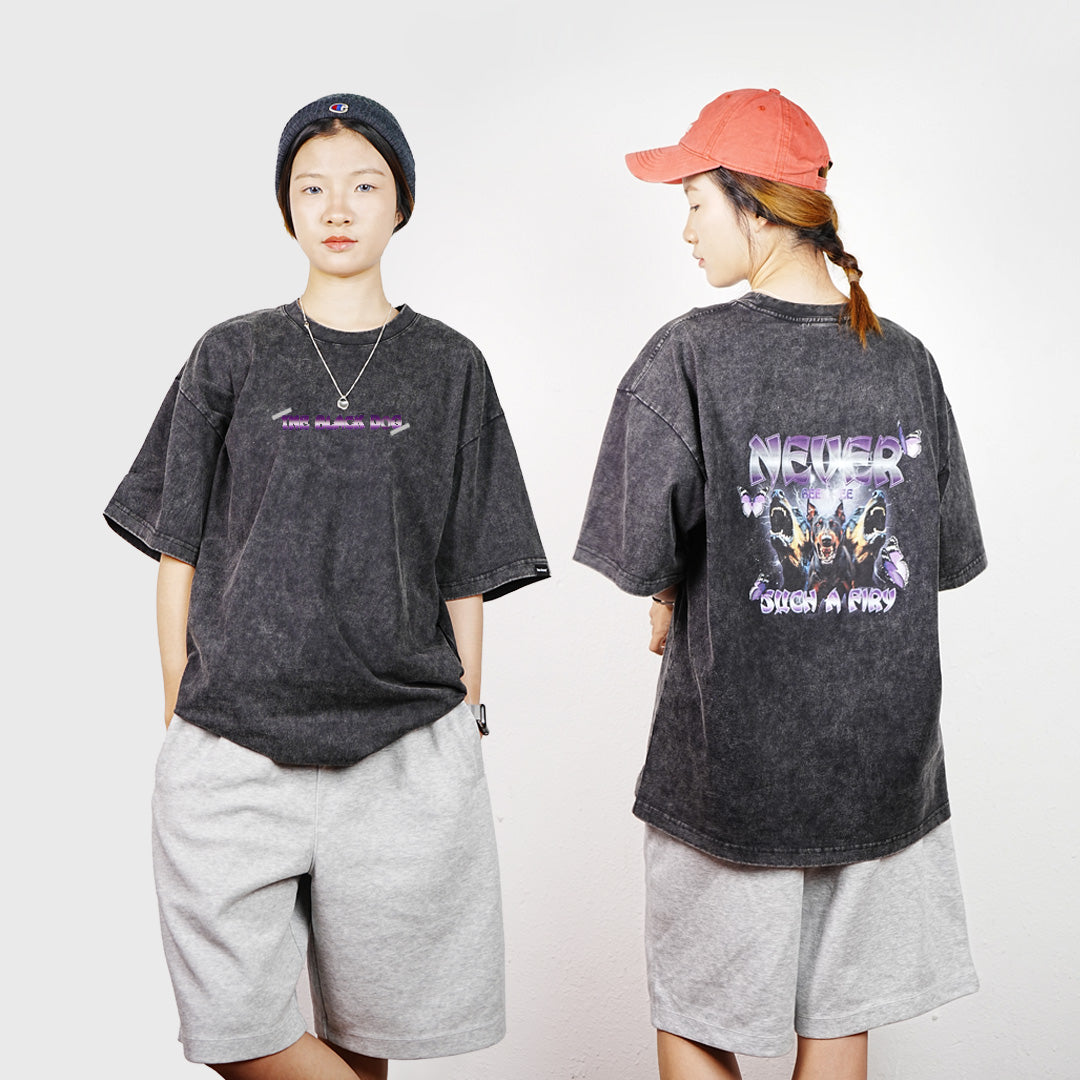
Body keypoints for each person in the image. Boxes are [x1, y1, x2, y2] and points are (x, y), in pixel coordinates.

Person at [104, 93, 549, 1080]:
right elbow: (177, 546)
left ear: (402, 205)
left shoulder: (450, 366)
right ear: (285, 208)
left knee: (368, 1037)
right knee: (239, 1031)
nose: (337, 209)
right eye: (311, 189)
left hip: (400, 746)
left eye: (363, 186)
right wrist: (178, 704)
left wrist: (468, 713)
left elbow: (467, 563)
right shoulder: (231, 354)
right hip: (235, 742)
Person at [574, 88, 986, 1080]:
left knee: (698, 1016)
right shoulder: (907, 361)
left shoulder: (689, 355)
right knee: (839, 1018)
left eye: (695, 204)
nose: (685, 230)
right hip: (881, 768)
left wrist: (671, 593)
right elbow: (937, 559)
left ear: (753, 207)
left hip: (731, 771)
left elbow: (638, 549)